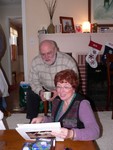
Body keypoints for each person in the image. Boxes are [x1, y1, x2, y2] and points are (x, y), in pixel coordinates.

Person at [31, 69, 100, 141]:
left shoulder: (82, 104)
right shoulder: (57, 100)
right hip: (60, 139)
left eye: (66, 87)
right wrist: (42, 119)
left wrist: (71, 134)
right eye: (59, 86)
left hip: (78, 141)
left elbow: (95, 132)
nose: (61, 91)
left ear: (74, 88)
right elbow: (55, 120)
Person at [26, 40, 79, 121]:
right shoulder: (36, 61)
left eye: (49, 53)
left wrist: (58, 92)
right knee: (30, 92)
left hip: (63, 88)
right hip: (44, 88)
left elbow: (74, 82)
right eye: (43, 54)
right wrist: (40, 92)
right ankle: (32, 120)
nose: (46, 57)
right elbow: (33, 81)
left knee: (64, 100)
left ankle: (59, 119)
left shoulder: (67, 61)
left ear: (55, 50)